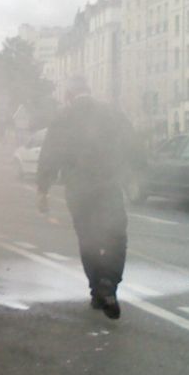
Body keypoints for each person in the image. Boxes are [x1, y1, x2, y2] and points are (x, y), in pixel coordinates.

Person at [36, 77, 142, 320]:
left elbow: (49, 155)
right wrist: (134, 174)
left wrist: (42, 191)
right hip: (108, 185)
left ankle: (97, 290)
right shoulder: (112, 113)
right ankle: (108, 283)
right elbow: (132, 144)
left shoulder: (62, 118)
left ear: (68, 96)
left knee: (88, 238)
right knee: (116, 236)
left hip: (78, 189)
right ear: (89, 92)